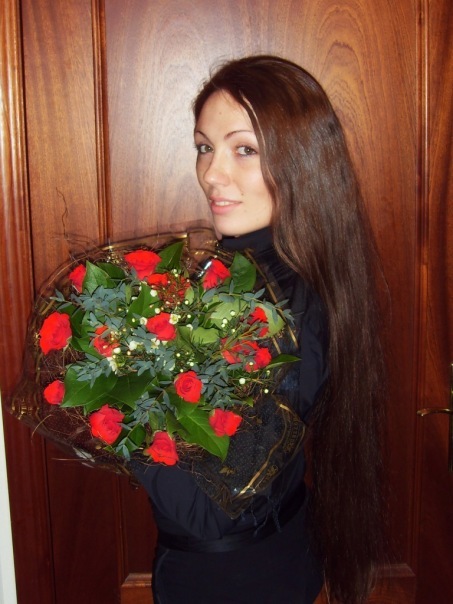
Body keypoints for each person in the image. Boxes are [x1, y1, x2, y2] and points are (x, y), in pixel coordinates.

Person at [131, 55, 385, 604]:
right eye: (204, 147)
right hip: (265, 556)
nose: (211, 174)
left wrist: (121, 399)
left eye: (244, 149)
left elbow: (209, 510)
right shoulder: (250, 270)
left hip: (235, 581)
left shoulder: (282, 310)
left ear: (302, 162)